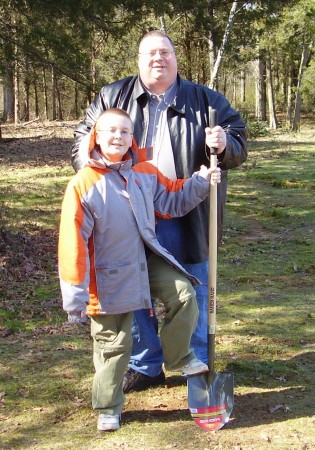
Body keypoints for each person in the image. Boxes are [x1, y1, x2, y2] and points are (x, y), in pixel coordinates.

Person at [71, 30, 247, 393]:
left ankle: (192, 361)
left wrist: (225, 142)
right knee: (133, 289)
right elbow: (83, 140)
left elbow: (239, 140)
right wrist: (99, 171)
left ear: (175, 58)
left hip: (189, 209)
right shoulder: (112, 96)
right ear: (138, 60)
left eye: (165, 52)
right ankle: (146, 364)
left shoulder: (207, 101)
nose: (158, 59)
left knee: (192, 284)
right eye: (150, 53)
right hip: (130, 213)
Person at [59, 108, 221, 431]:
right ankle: (108, 406)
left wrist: (201, 181)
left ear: (132, 138)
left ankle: (179, 356)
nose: (117, 137)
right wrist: (76, 296)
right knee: (114, 343)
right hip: (108, 277)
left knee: (185, 294)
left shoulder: (144, 172)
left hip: (146, 261)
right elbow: (72, 243)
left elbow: (173, 197)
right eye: (110, 131)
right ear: (97, 137)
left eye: (124, 131)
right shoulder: (84, 184)